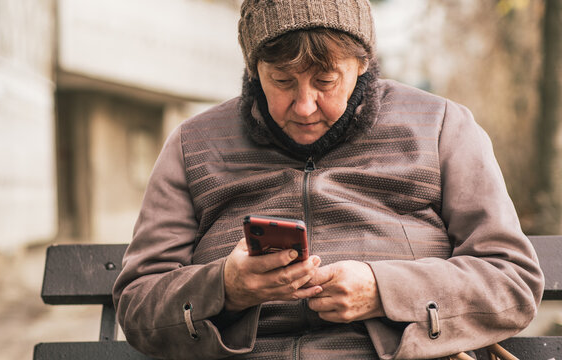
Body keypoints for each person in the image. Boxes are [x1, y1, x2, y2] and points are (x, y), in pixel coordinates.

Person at [112, 0, 544, 359]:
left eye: (325, 81)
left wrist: (384, 290)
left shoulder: (441, 127)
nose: (303, 106)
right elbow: (137, 303)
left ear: (362, 63)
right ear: (253, 68)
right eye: (281, 81)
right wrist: (225, 287)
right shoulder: (194, 143)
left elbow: (512, 282)